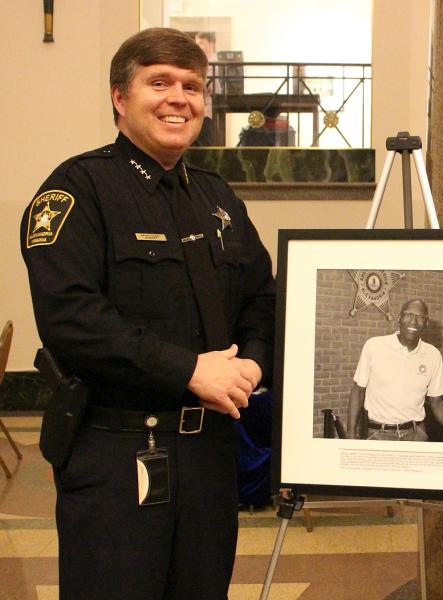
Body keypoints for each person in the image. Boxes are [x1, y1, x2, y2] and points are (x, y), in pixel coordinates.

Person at [20, 28, 275, 599]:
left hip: (210, 456)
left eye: (192, 86)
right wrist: (189, 370)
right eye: (158, 82)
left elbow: (263, 299)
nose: (178, 98)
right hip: (116, 453)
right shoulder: (76, 190)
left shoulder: (218, 199)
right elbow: (72, 317)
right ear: (119, 96)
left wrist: (252, 368)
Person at [346, 299, 443, 442]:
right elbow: (358, 391)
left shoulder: (433, 355)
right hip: (378, 434)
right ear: (399, 318)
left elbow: (437, 401)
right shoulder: (374, 346)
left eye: (420, 317)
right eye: (409, 314)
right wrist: (350, 434)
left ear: (426, 323)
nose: (413, 321)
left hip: (416, 434)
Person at [193, 31, 217, 145]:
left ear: (211, 43)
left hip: (209, 110)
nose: (197, 46)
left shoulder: (214, 63)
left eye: (201, 43)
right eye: (196, 43)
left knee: (205, 144)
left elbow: (215, 87)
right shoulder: (200, 63)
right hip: (203, 110)